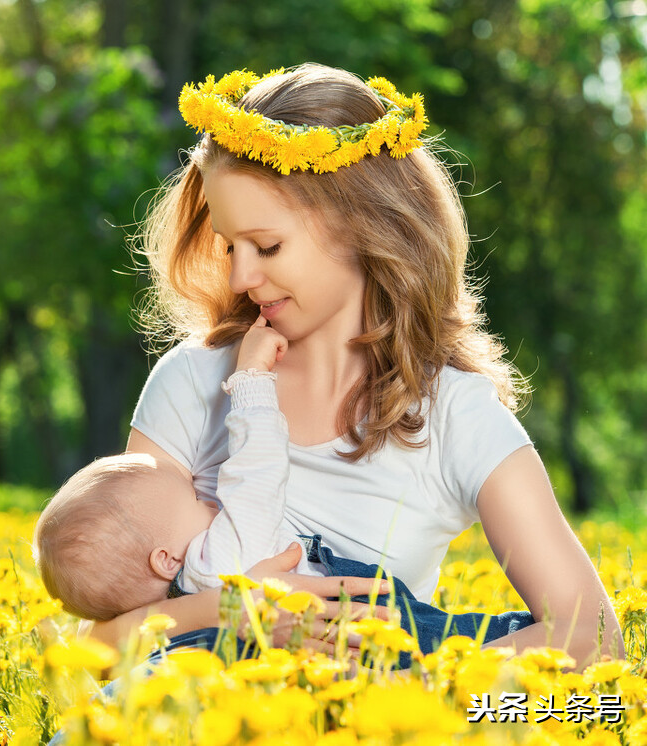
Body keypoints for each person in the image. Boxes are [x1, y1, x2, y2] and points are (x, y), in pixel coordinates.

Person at [90, 63, 622, 668]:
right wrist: (233, 610)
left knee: (582, 706)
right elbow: (97, 646)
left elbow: (595, 640)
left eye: (267, 246)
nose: (240, 277)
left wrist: (415, 696)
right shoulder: (193, 381)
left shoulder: (455, 416)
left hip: (374, 701)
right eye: (229, 245)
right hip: (200, 701)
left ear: (363, 224)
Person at [35, 315, 533, 662]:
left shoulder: (170, 613)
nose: (207, 495)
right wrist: (252, 382)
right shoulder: (218, 559)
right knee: (463, 641)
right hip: (364, 635)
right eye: (192, 497)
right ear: (165, 559)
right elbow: (257, 474)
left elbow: (102, 643)